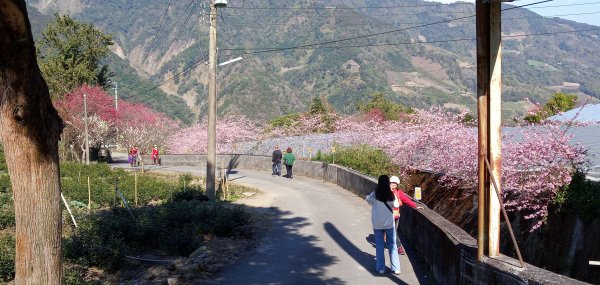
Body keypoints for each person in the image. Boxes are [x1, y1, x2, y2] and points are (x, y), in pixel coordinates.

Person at [367, 175, 401, 275]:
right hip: (389, 224)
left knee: (380, 246)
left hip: (377, 224)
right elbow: (396, 205)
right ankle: (396, 268)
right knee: (392, 245)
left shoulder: (374, 194)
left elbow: (368, 199)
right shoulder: (391, 195)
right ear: (388, 183)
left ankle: (381, 268)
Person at [390, 175, 424, 255]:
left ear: (397, 184)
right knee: (392, 231)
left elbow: (407, 200)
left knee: (393, 231)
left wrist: (415, 206)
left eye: (395, 183)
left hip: (395, 216)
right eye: (392, 183)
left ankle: (397, 247)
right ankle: (397, 246)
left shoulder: (399, 193)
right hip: (387, 216)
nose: (393, 184)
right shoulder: (385, 191)